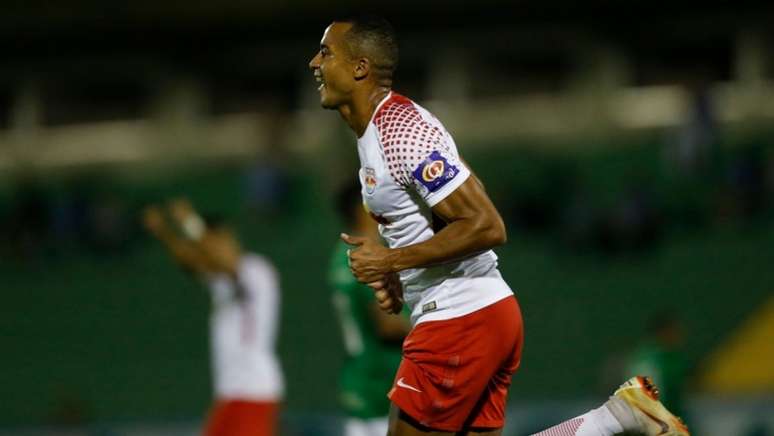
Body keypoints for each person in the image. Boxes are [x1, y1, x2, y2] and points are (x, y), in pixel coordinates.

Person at [308, 15, 689, 436]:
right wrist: (403, 269)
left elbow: (487, 224)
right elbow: (466, 194)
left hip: (458, 318)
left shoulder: (399, 130)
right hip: (478, 312)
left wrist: (392, 260)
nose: (314, 63)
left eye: (325, 52)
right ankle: (615, 418)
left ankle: (617, 418)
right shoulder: (382, 132)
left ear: (360, 67)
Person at [142, 199, 284, 436]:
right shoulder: (219, 280)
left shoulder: (256, 270)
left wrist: (190, 223)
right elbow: (190, 261)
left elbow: (223, 261)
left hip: (254, 388)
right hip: (230, 392)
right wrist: (163, 232)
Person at [330, 182, 412, 436]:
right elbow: (387, 325)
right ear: (362, 209)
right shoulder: (366, 257)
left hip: (361, 377)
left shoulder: (341, 255)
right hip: (382, 382)